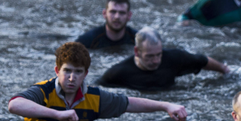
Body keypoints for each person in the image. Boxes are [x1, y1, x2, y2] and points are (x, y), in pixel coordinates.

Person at [8, 42, 188, 121]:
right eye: (67, 71)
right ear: (57, 71)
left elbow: (129, 103)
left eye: (78, 72)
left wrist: (166, 106)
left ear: (85, 74)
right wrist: (57, 114)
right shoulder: (44, 91)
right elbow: (14, 104)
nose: (72, 78)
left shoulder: (95, 98)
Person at [95, 27, 230, 91]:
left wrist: (226, 71)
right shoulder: (118, 72)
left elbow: (203, 60)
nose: (155, 61)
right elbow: (97, 89)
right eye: (149, 56)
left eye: (158, 54)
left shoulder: (174, 57)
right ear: (137, 51)